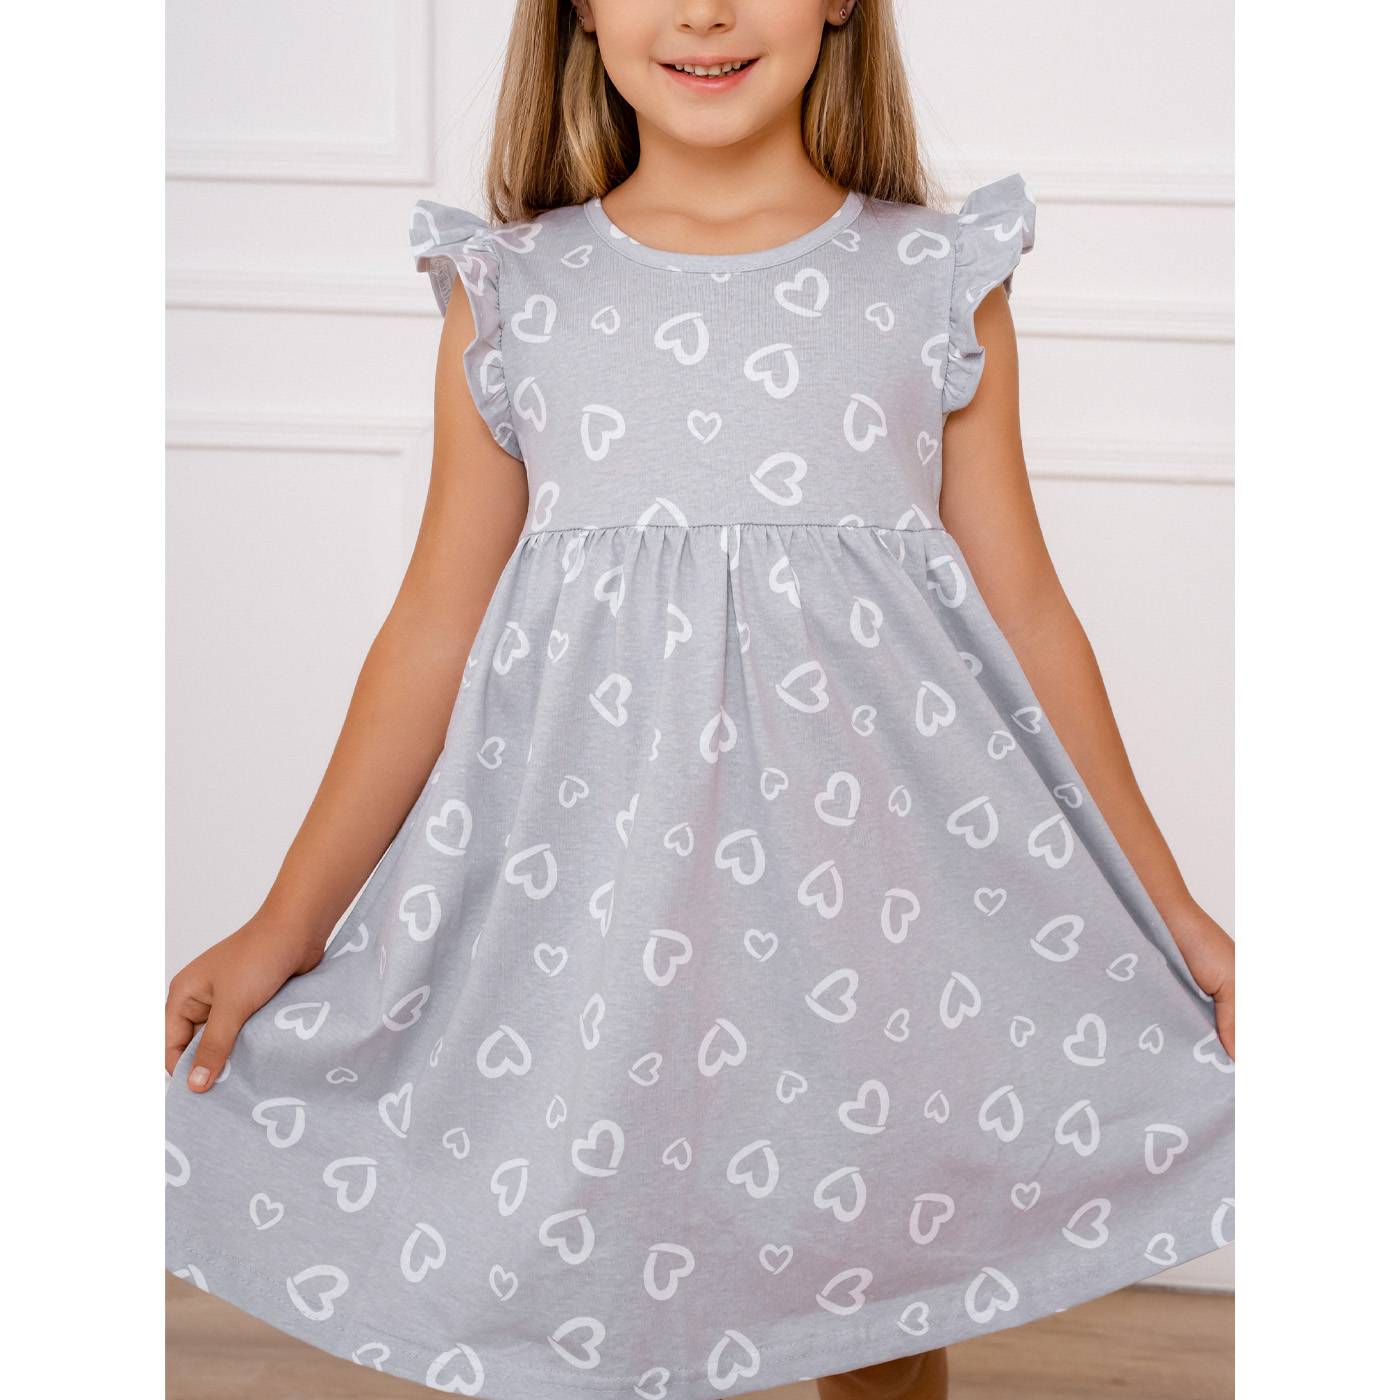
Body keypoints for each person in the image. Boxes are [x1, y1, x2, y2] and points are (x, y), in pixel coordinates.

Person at [164, 3, 1236, 1397]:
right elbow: (431, 626)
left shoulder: (933, 276)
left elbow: (1028, 612)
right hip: (589, 903)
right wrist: (287, 925)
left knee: (877, 1279)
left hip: (872, 900)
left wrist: (1172, 914)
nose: (705, 12)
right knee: (584, 1271)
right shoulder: (518, 290)